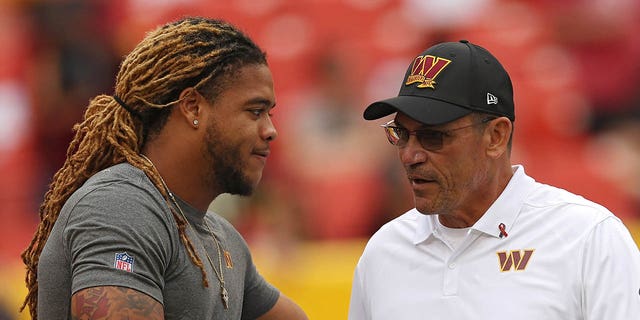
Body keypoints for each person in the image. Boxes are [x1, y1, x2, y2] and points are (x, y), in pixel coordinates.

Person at [21, 17, 308, 320]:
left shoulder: (224, 238)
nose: (271, 130)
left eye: (270, 114)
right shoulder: (120, 209)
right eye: (255, 111)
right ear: (193, 107)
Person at [348, 40, 640, 319]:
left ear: (496, 137)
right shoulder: (383, 252)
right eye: (401, 134)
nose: (410, 155)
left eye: (432, 136)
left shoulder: (587, 238)